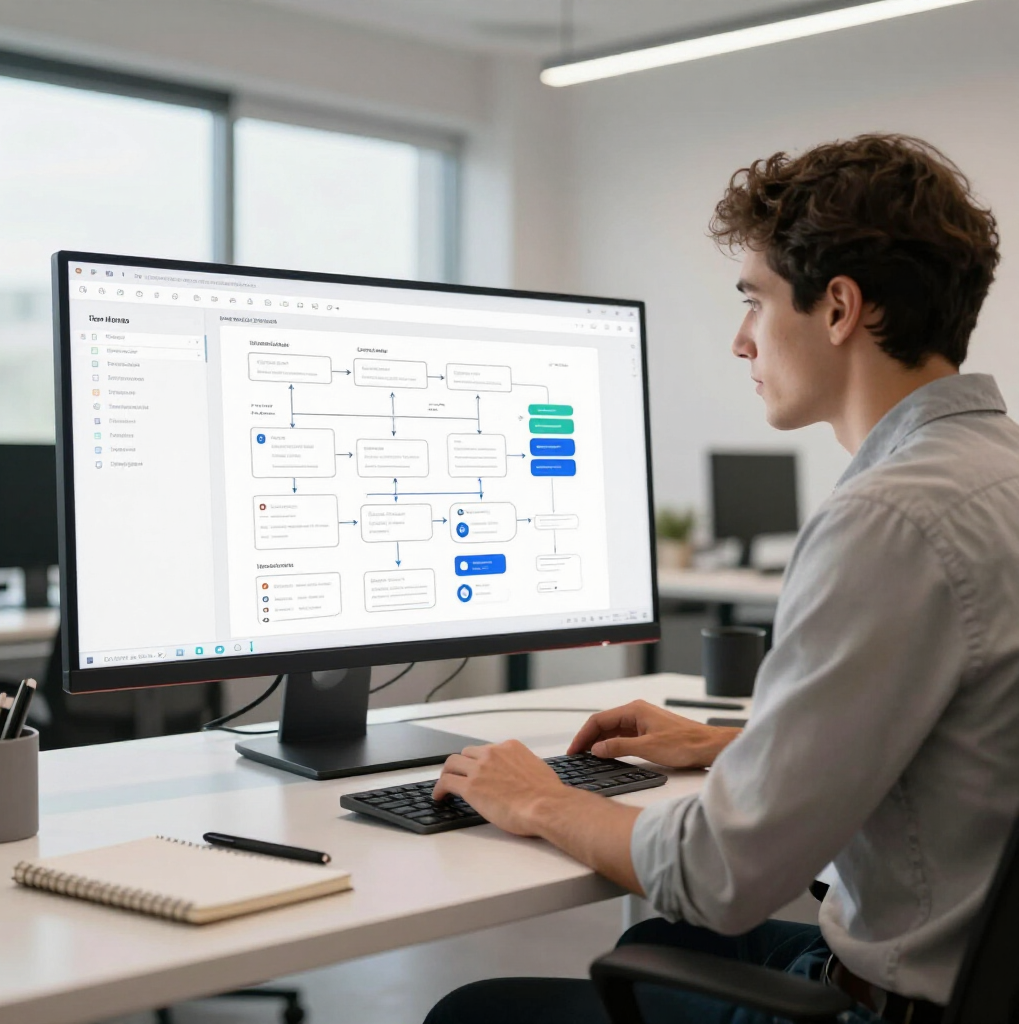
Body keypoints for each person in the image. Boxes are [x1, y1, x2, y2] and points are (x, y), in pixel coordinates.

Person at [424, 134, 1019, 1024]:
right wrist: (730, 749)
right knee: (651, 949)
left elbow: (719, 875)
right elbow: (957, 761)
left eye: (756, 301)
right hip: (973, 973)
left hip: (893, 1006)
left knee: (475, 1012)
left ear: (840, 309)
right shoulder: (994, 475)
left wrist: (539, 799)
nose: (742, 341)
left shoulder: (887, 521)